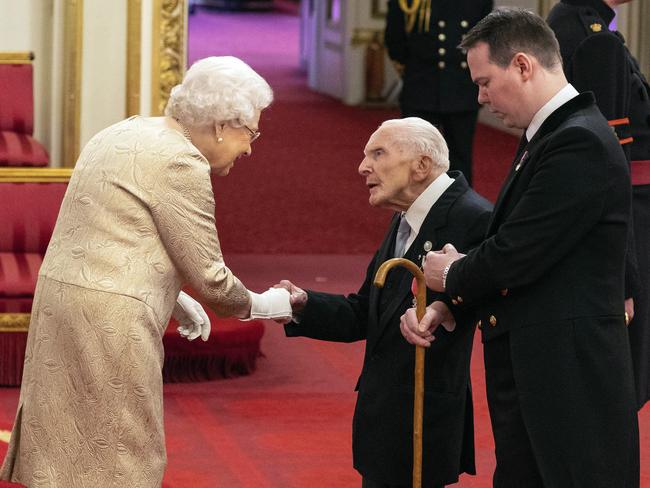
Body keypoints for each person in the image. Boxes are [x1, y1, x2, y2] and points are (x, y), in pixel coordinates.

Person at [0, 56, 291, 487]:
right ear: (221, 125)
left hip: (61, 304)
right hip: (110, 323)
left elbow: (115, 231)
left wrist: (174, 295)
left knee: (62, 449)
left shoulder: (125, 130)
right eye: (250, 132)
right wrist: (267, 305)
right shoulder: (180, 161)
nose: (249, 146)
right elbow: (211, 275)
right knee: (123, 454)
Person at [399, 9, 640, 487]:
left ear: (524, 66)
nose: (481, 97)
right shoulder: (553, 132)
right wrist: (455, 305)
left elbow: (517, 252)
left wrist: (450, 277)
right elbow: (521, 245)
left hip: (569, 380)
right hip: (543, 370)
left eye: (486, 82)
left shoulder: (577, 140)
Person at [276, 117, 492, 487]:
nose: (363, 167)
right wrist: (303, 305)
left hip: (424, 415)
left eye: (377, 153)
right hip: (386, 419)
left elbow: (486, 299)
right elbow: (366, 311)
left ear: (421, 165)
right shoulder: (406, 216)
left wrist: (446, 309)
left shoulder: (473, 216)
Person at [546, 0, 650, 410]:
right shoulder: (585, 34)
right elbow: (610, 146)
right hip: (629, 204)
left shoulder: (593, 25)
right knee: (628, 353)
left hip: (636, 198)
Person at [384, 0, 493, 186]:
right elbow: (395, 39)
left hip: (461, 89)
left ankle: (460, 212)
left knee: (459, 160)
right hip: (421, 87)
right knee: (415, 161)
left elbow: (486, 41)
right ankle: (415, 212)